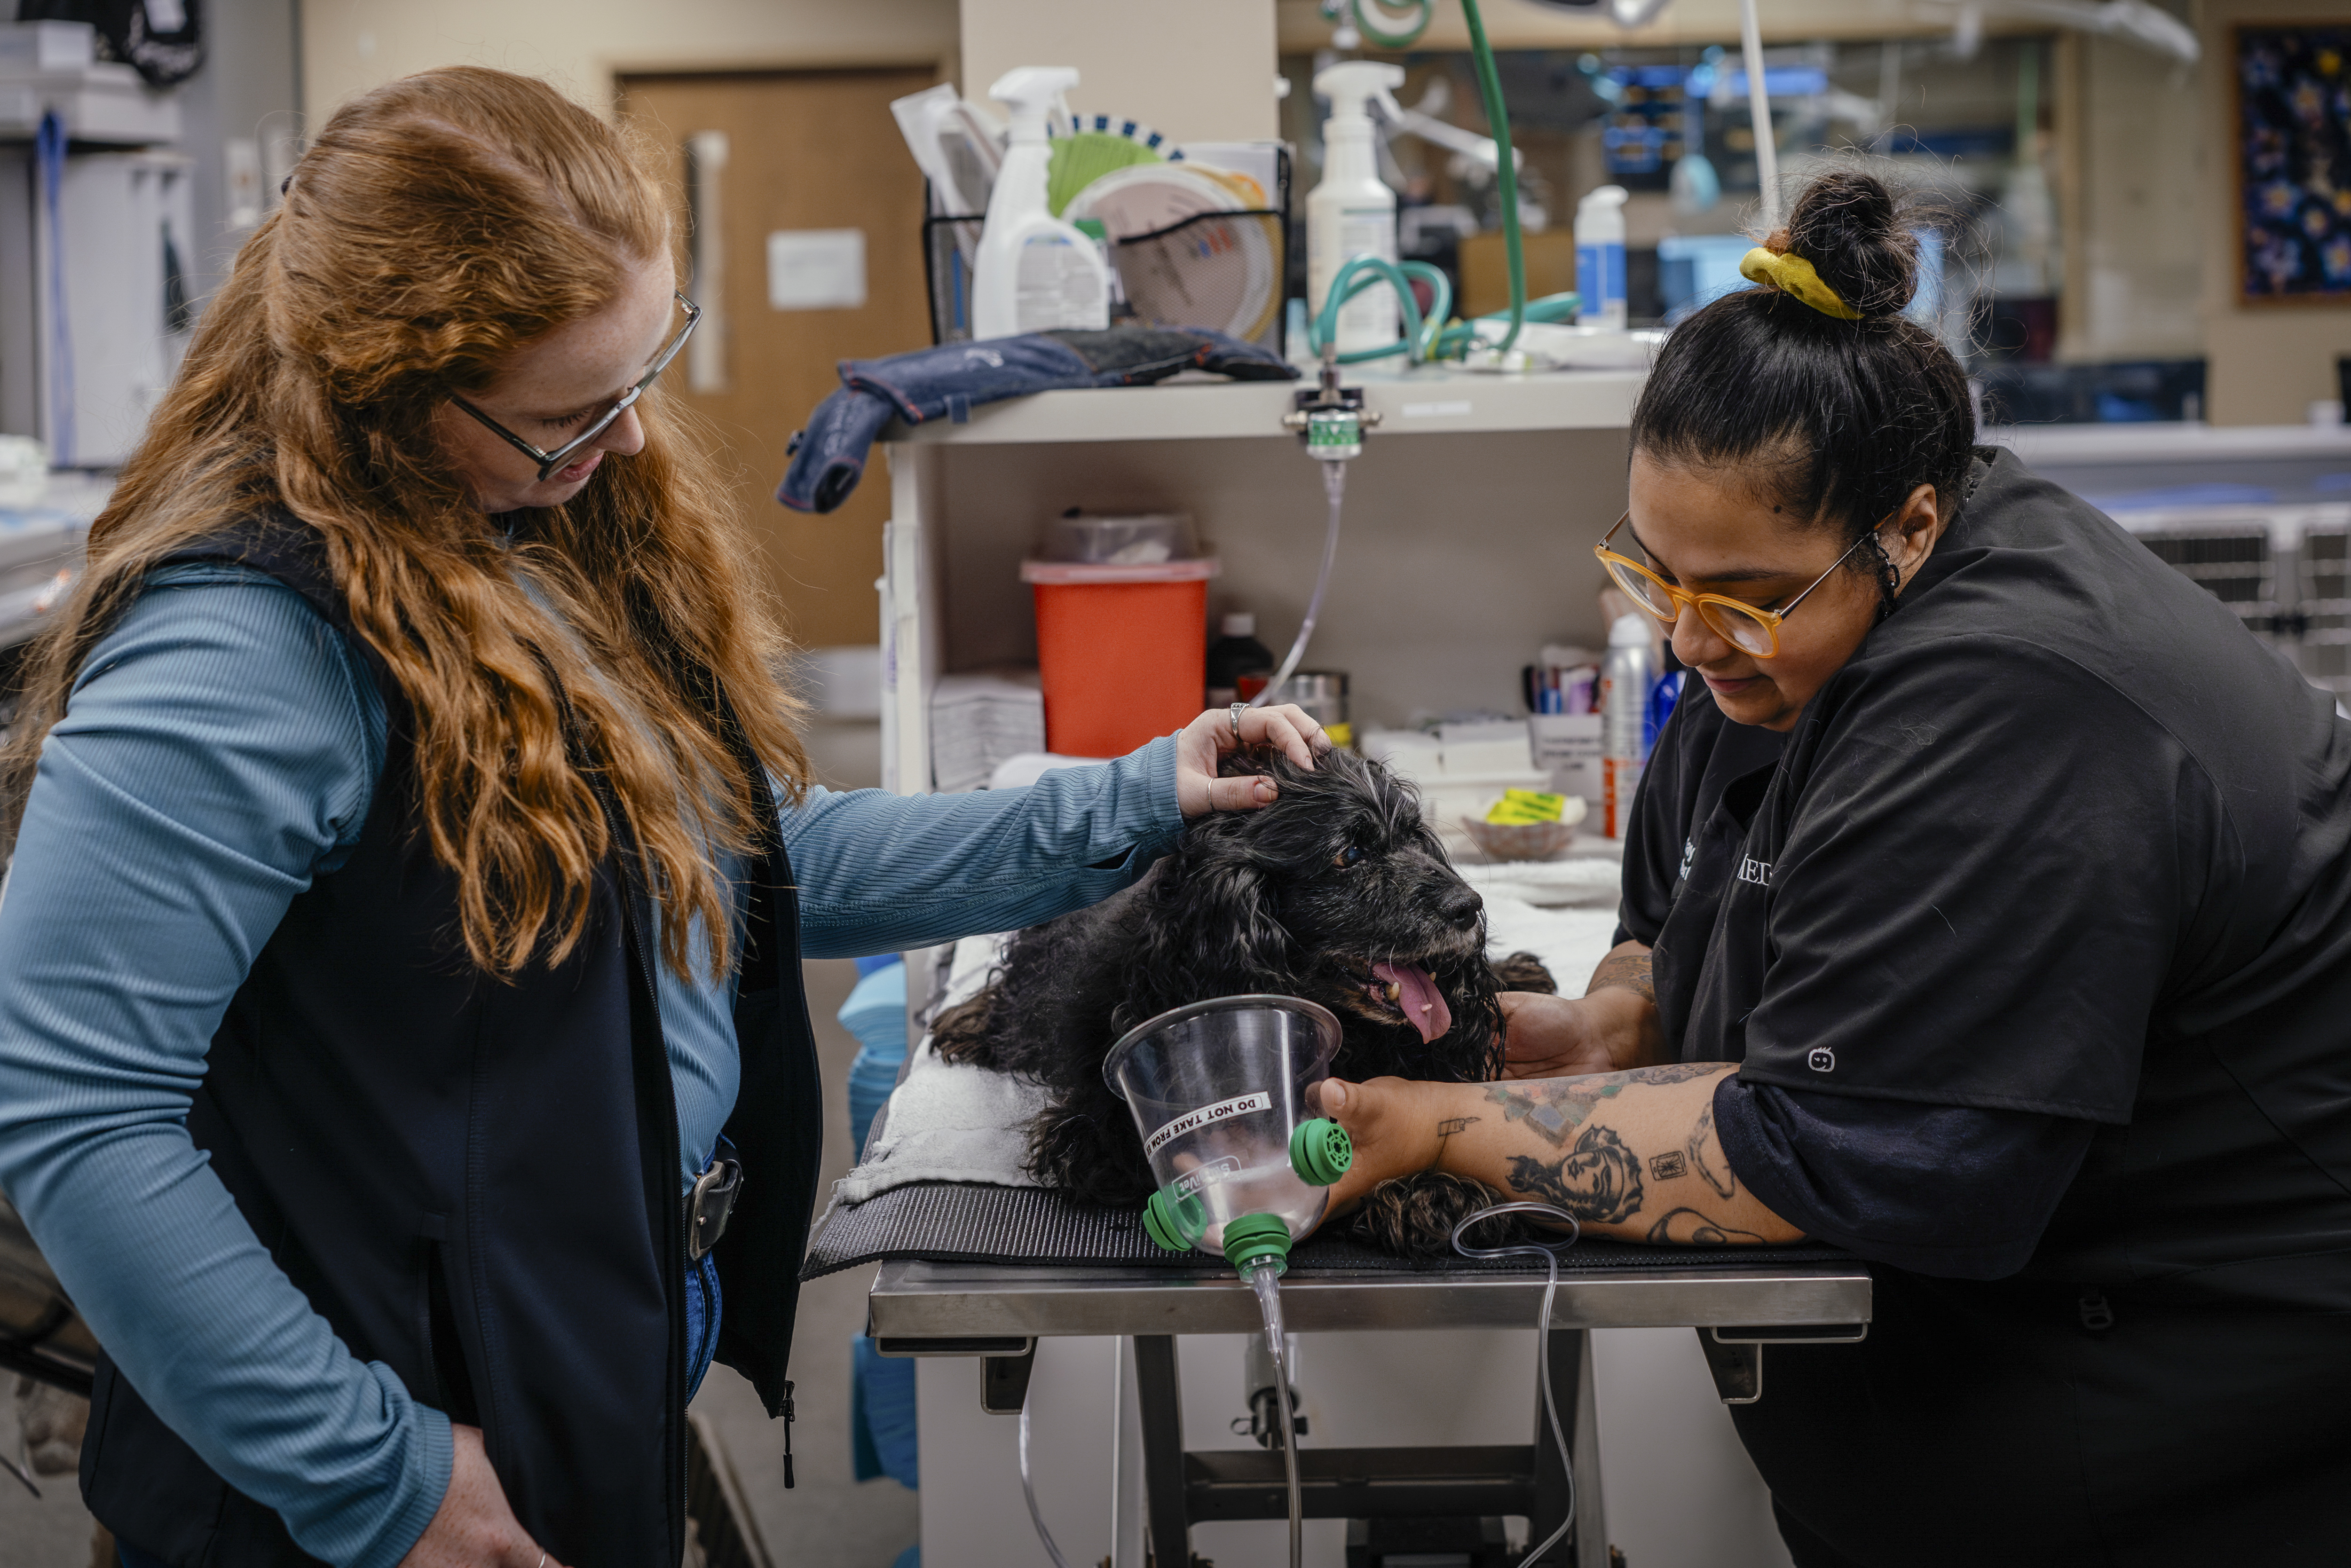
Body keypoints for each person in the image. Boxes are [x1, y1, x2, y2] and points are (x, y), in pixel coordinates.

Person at [0, 68, 1324, 1568]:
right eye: (570, 414)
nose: (625, 448)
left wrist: (1133, 802)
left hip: (568, 1353)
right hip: (382, 1444)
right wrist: (374, 1474)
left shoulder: (528, 537)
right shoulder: (247, 650)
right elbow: (74, 1111)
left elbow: (760, 860)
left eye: (643, 374)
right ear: (384, 393)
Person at [1321, 168, 2351, 1567]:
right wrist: (1620, 1018)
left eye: (1742, 599)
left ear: (1911, 526)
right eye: (1652, 575)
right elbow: (1688, 884)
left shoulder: (2013, 708)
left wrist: (1433, 1128)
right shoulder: (1786, 642)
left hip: (2167, 1424)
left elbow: (1872, 1153)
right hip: (1936, 1413)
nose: (1690, 640)